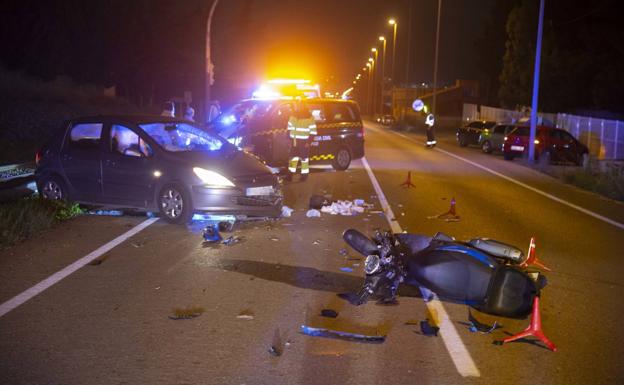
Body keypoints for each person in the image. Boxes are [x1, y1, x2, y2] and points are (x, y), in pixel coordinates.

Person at [286, 102, 317, 181]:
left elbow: (313, 132)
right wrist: (288, 139)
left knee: (304, 159)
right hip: (294, 141)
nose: (295, 107)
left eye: (297, 106)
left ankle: (304, 175)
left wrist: (308, 142)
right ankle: (290, 175)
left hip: (304, 142)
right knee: (293, 158)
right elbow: (289, 128)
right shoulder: (292, 115)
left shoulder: (309, 117)